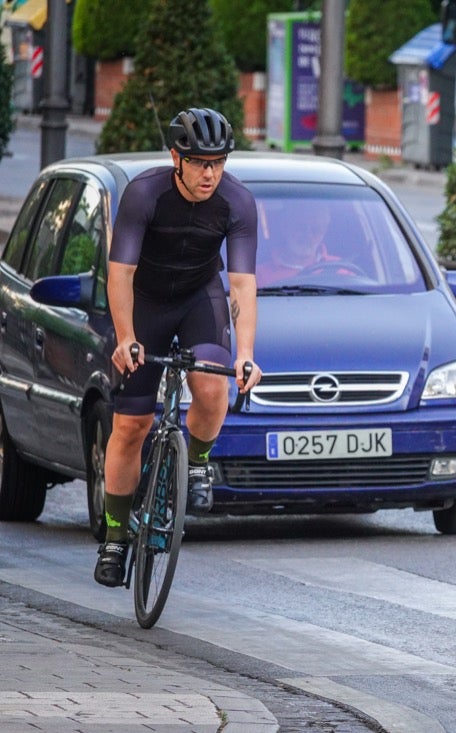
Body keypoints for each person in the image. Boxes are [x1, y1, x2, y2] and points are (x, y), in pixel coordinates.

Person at [94, 107, 263, 588]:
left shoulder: (237, 202)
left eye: (218, 162)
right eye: (200, 163)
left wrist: (246, 354)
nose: (210, 173)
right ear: (176, 158)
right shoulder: (144, 193)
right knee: (131, 425)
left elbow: (242, 285)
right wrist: (126, 338)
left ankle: (198, 464)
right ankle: (114, 536)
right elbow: (120, 274)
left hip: (197, 298)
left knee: (211, 385)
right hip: (144, 301)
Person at [256, 204, 337, 285]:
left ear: (323, 233)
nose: (308, 235)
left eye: (316, 230)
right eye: (301, 227)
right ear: (285, 227)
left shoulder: (340, 268)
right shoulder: (259, 275)